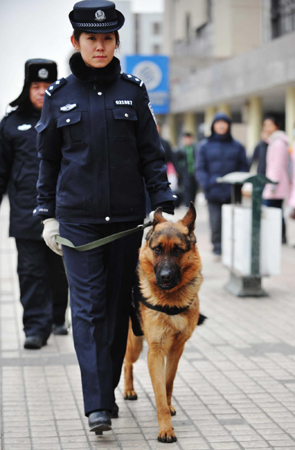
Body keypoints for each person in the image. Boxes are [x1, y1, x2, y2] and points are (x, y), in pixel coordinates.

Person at [34, 0, 176, 434]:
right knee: (90, 309)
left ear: (116, 42)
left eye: (107, 39)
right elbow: (49, 161)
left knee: (117, 310)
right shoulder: (59, 96)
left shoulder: (133, 91)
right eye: (91, 39)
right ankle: (96, 403)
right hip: (78, 222)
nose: (99, 46)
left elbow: (152, 155)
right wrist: (48, 217)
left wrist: (161, 205)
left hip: (126, 223)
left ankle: (107, 390)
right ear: (75, 42)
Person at [0, 59, 69, 350]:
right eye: (35, 86)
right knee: (30, 272)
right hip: (25, 212)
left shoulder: (67, 117)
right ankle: (35, 328)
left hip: (63, 211)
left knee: (59, 270)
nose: (42, 92)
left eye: (47, 86)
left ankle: (56, 318)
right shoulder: (11, 124)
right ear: (27, 87)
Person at [195, 112, 248, 258]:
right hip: (213, 191)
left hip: (232, 192)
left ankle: (232, 247)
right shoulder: (204, 146)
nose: (221, 125)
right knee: (216, 221)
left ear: (229, 126)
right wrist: (207, 183)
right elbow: (199, 168)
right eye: (218, 122)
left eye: (224, 122)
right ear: (213, 126)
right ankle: (217, 248)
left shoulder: (237, 146)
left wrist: (239, 183)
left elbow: (244, 166)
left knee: (233, 221)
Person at [262, 115, 290, 244]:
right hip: (273, 183)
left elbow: (277, 165)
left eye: (269, 125)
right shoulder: (274, 142)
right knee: (276, 210)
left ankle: (279, 236)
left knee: (274, 211)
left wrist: (272, 185)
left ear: (276, 126)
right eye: (265, 125)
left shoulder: (278, 143)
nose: (266, 127)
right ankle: (280, 236)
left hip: (275, 184)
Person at [175, 132, 198, 206]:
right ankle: (187, 204)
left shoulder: (195, 148)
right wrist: (179, 171)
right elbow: (176, 161)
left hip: (194, 172)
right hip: (185, 172)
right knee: (187, 188)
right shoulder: (180, 149)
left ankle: (192, 203)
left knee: (194, 188)